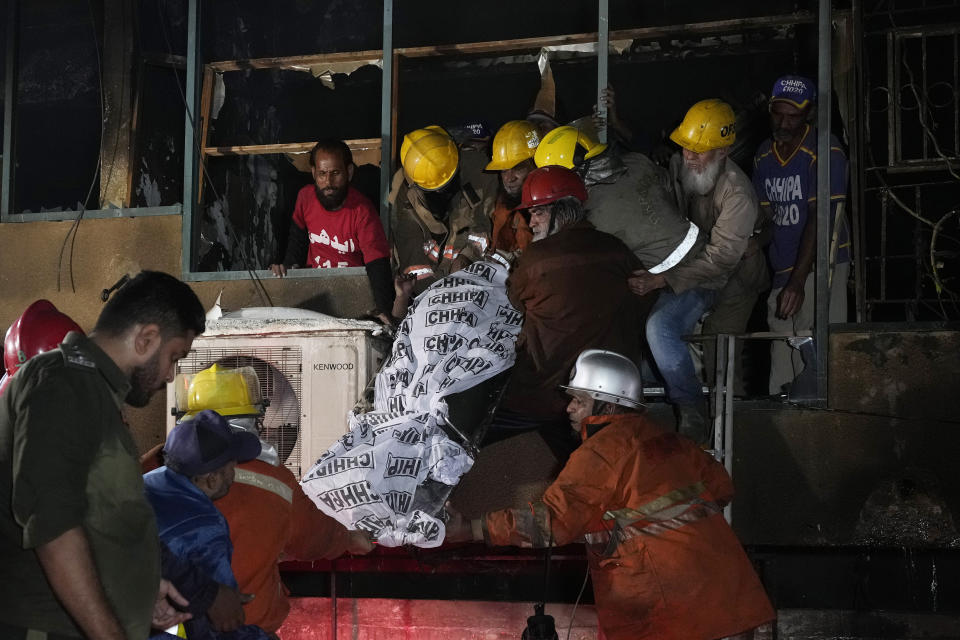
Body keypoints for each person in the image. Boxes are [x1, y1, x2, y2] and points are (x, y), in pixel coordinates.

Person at [447, 349, 775, 640]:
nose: (569, 409)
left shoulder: (603, 450)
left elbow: (552, 522)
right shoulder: (669, 440)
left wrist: (475, 529)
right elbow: (722, 487)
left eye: (579, 400)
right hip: (726, 596)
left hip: (670, 610)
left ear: (609, 403)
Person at [0, 271, 205, 640]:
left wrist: (138, 591)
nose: (171, 376)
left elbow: (95, 515)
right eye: (175, 356)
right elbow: (53, 527)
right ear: (146, 339)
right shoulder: (63, 385)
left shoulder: (93, 393)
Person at [178, 364, 374, 637]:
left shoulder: (153, 470)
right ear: (253, 419)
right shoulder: (273, 481)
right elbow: (315, 537)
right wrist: (352, 539)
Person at [629, 99, 768, 442]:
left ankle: (722, 430)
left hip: (736, 279)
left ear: (722, 152)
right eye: (686, 146)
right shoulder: (683, 165)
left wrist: (662, 278)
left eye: (699, 150)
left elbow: (722, 259)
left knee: (721, 358)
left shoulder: (738, 195)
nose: (689, 156)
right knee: (659, 336)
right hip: (696, 269)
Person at [494, 166, 648, 456]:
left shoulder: (535, 259)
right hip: (609, 397)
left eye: (538, 212)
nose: (531, 221)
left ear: (562, 212)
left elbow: (511, 303)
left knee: (476, 427)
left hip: (541, 394)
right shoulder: (616, 249)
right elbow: (645, 297)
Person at [752, 75, 850, 394]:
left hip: (820, 265)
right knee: (781, 349)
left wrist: (798, 282)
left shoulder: (825, 148)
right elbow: (767, 216)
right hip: (782, 267)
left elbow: (820, 218)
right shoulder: (764, 155)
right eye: (778, 113)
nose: (784, 121)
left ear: (808, 113)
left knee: (816, 354)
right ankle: (781, 420)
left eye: (792, 115)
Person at [143, 410, 269, 640]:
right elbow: (218, 622)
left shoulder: (146, 482)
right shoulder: (203, 529)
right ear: (212, 479)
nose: (234, 475)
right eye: (233, 467)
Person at [533, 121, 703, 286]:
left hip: (677, 277)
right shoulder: (637, 160)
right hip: (701, 246)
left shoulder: (590, 214)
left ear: (575, 172)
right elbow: (670, 187)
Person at [269, 139, 394, 323]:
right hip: (315, 295)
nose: (328, 182)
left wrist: (384, 310)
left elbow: (378, 266)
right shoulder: (305, 198)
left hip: (353, 297)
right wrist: (285, 270)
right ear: (313, 173)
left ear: (349, 172)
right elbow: (296, 245)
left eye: (335, 173)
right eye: (322, 174)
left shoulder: (363, 211)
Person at [389, 126, 497, 299]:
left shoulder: (479, 170)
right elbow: (410, 253)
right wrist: (439, 297)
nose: (444, 193)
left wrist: (467, 258)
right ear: (415, 184)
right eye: (436, 190)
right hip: (428, 293)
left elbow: (485, 224)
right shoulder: (402, 191)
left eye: (449, 183)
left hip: (475, 282)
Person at [484, 120, 538, 254]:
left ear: (536, 163)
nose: (509, 178)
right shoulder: (501, 202)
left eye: (517, 168)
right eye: (503, 170)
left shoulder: (553, 209)